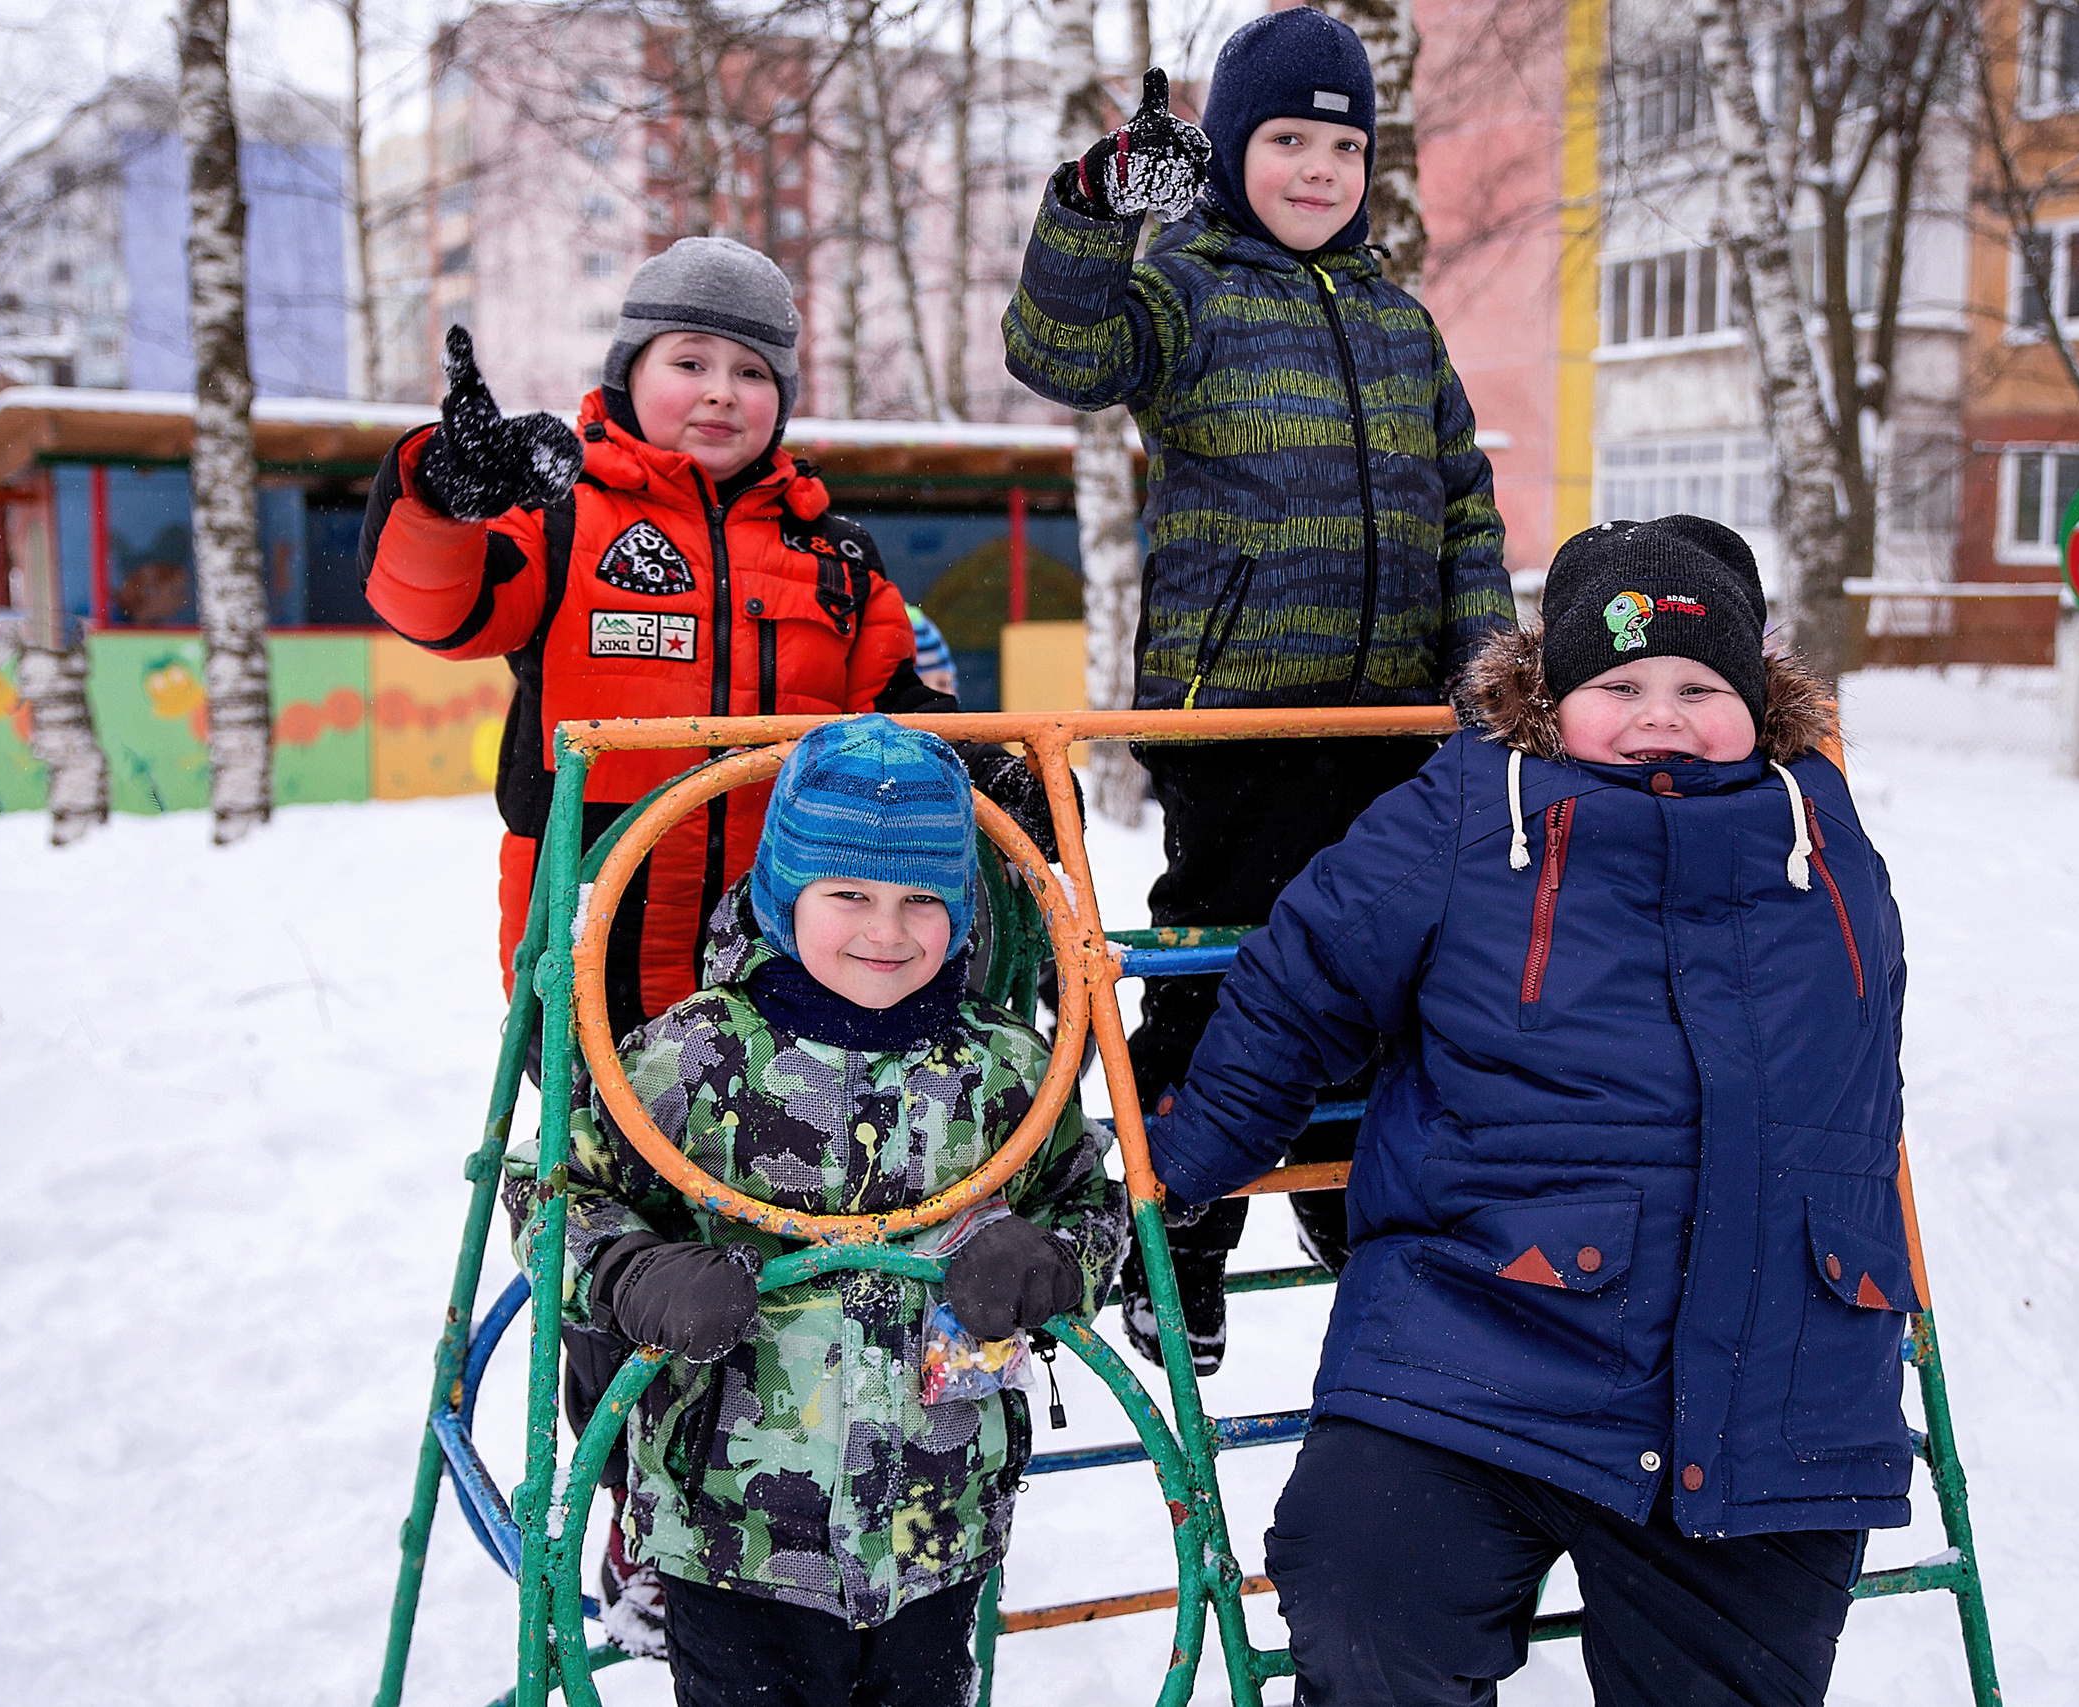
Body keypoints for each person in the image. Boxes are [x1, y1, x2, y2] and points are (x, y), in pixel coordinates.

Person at [365, 236, 1048, 1653]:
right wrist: (442, 487)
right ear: (631, 372)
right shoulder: (563, 523)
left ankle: (837, 1493)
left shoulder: (832, 560)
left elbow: (903, 720)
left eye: (751, 370)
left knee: (780, 1223)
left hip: (799, 964)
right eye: (691, 362)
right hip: (606, 935)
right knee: (629, 1226)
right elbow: (431, 601)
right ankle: (641, 1514)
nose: (721, 392)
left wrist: (992, 776)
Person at [1141, 516, 1910, 1707]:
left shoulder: (1820, 839)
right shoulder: (1467, 815)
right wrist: (1178, 1169)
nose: (1661, 713)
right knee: (1362, 1601)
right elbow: (1302, 984)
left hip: (1769, 1375)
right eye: (1620, 682)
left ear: (1760, 701)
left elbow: (1855, 1088)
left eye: (1702, 684)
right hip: (1478, 1338)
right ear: (1551, 698)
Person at [1002, 6, 1514, 1373]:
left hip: (1395, 720)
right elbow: (1059, 351)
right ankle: (1187, 1224)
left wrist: (1483, 666)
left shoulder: (1403, 323)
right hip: (1237, 715)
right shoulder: (1190, 292)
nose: (1316, 170)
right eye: (1286, 140)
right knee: (1226, 970)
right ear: (1233, 153)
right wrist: (1099, 209)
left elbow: (1464, 503)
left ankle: (1347, 1195)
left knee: (1389, 968)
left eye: (1341, 146)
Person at [509, 715, 1126, 1706]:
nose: (886, 932)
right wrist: (635, 1271)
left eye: (922, 900)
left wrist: (1050, 1260)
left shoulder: (1004, 1066)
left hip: (939, 1527)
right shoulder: (690, 1059)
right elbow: (554, 1191)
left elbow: (1086, 1199)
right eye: (849, 896)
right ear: (783, 897)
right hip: (731, 1537)